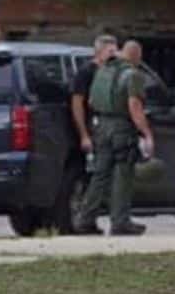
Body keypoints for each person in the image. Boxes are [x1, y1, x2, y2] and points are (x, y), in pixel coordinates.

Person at [73, 41, 154, 236]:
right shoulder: (133, 75)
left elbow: (91, 101)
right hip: (122, 128)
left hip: (100, 127)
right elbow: (134, 105)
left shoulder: (102, 72)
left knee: (99, 175)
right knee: (122, 174)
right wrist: (146, 133)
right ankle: (120, 221)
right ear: (136, 56)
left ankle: (85, 218)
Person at [66, 34, 118, 235]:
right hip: (93, 128)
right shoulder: (87, 72)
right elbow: (77, 102)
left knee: (103, 176)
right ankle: (85, 218)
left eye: (115, 50)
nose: (113, 55)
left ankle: (91, 218)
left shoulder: (112, 72)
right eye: (109, 51)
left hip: (107, 129)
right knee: (95, 176)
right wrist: (84, 134)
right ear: (99, 51)